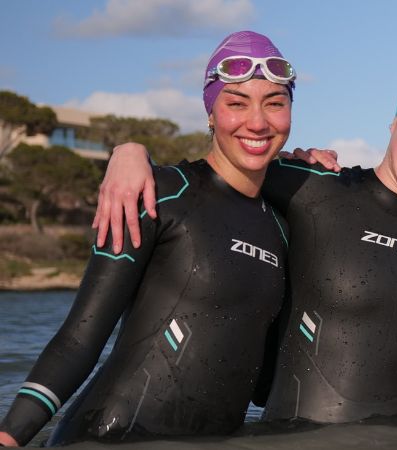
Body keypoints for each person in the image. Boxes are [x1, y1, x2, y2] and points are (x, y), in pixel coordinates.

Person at [90, 70, 397, 423]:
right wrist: (130, 152)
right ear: (394, 122)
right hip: (298, 435)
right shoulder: (309, 185)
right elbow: (207, 181)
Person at [0, 30, 292, 446]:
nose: (258, 122)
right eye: (236, 103)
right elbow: (78, 339)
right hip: (109, 437)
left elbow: (263, 384)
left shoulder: (282, 227)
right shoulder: (158, 193)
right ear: (211, 113)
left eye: (275, 103)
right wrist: (9, 437)